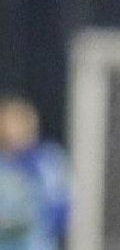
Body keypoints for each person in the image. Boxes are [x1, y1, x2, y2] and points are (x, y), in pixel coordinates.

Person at [0, 94, 69, 250]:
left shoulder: (47, 160)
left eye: (18, 122)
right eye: (6, 122)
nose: (11, 129)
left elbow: (61, 209)